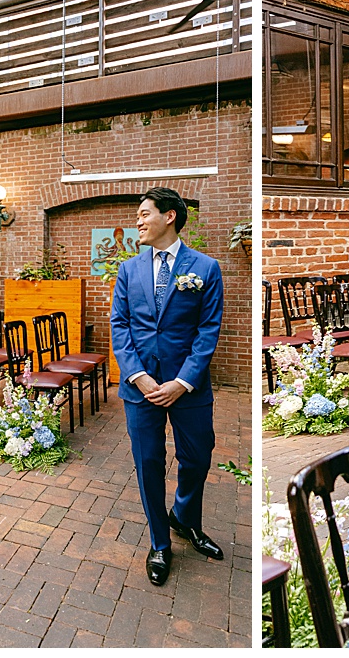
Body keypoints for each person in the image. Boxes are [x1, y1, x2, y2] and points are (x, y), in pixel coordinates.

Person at [110, 187, 225, 586]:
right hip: (139, 389)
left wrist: (182, 381)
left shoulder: (206, 268)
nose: (138, 221)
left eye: (144, 214)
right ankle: (160, 542)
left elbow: (208, 331)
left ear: (170, 216)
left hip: (187, 387)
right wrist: (138, 376)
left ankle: (186, 519)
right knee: (149, 465)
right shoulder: (128, 270)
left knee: (197, 458)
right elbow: (120, 326)